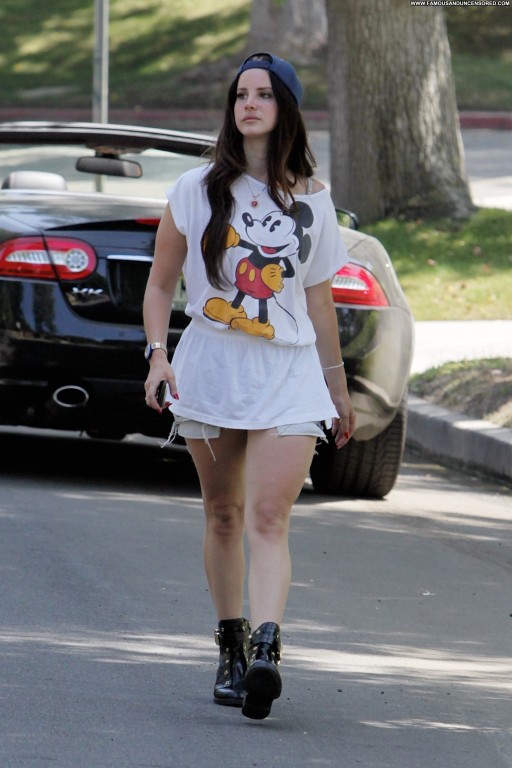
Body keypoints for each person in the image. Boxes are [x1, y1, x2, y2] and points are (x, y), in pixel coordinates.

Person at [143, 51, 356, 721]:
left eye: (263, 94)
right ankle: (231, 646)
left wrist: (338, 389)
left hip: (289, 372)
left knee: (269, 515)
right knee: (224, 512)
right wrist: (157, 356)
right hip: (211, 367)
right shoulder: (195, 188)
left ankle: (267, 649)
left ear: (285, 107)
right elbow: (160, 284)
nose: (249, 104)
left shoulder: (314, 201)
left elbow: (318, 301)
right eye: (241, 94)